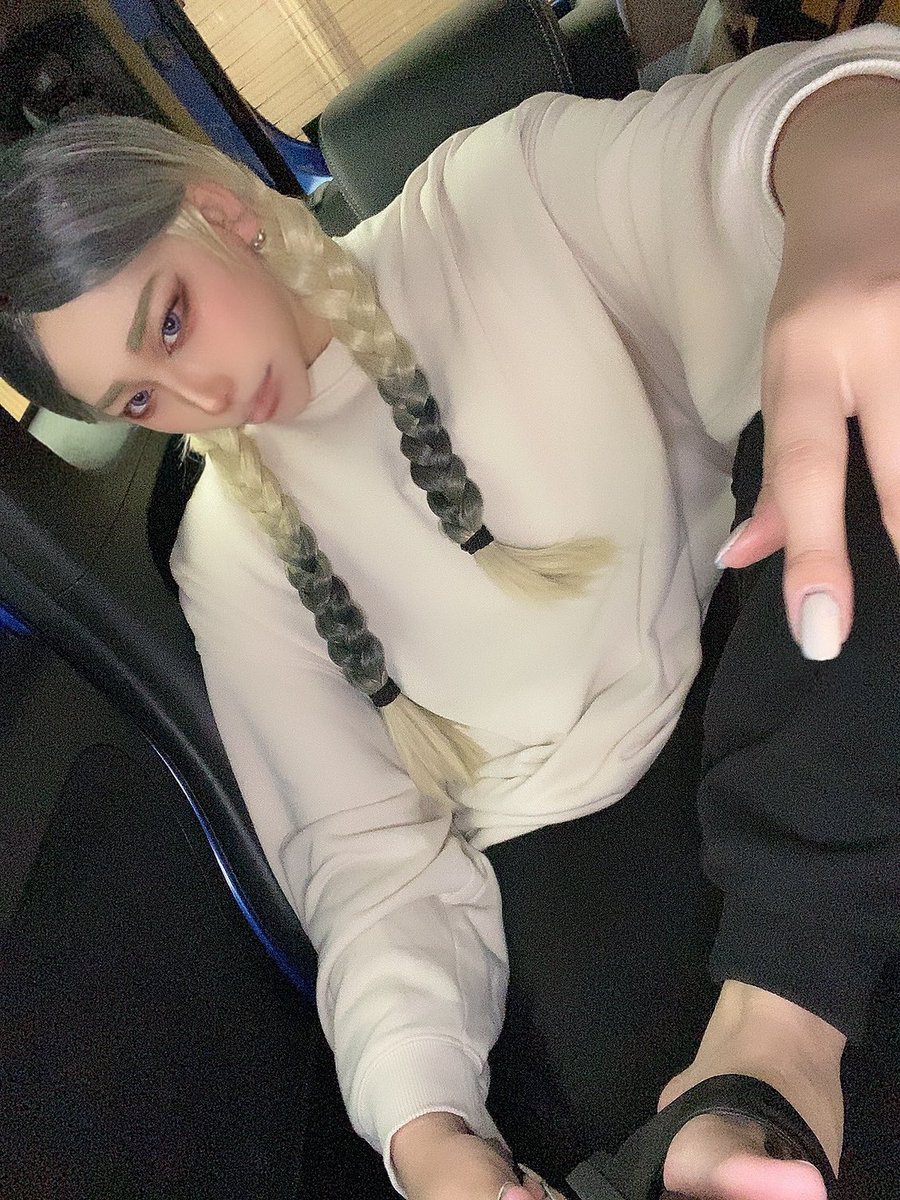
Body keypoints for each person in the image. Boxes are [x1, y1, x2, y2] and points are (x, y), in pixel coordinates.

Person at [1, 21, 899, 1200]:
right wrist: (431, 1141)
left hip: (770, 663)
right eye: (140, 399)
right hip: (567, 861)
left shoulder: (495, 203)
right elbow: (369, 869)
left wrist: (854, 211)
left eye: (171, 321)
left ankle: (776, 1040)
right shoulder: (231, 556)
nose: (200, 396)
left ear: (219, 215)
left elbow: (756, 137)